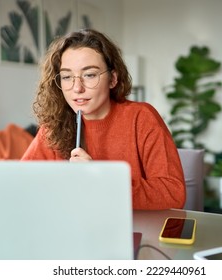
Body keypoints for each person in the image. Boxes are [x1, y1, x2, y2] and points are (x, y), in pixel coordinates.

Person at [21, 29, 186, 210]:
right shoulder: (54, 126)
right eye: (67, 77)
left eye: (90, 75)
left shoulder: (141, 118)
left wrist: (101, 180)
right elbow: (21, 185)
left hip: (133, 231)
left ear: (113, 79)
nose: (77, 88)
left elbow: (172, 192)